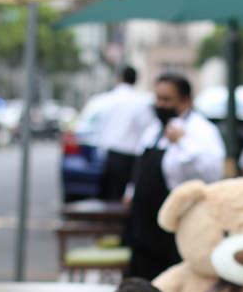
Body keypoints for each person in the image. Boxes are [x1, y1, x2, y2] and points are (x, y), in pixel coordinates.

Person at [123, 73, 225, 280]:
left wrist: (183, 143)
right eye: (158, 99)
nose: (160, 105)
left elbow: (211, 172)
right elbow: (140, 165)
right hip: (144, 224)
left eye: (167, 100)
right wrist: (131, 191)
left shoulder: (201, 131)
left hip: (175, 225)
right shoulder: (154, 129)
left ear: (185, 101)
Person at [94, 65, 155, 202]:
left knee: (111, 198)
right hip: (132, 157)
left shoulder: (105, 100)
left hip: (111, 154)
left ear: (119, 78)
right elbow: (147, 129)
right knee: (130, 199)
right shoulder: (141, 102)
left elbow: (99, 127)